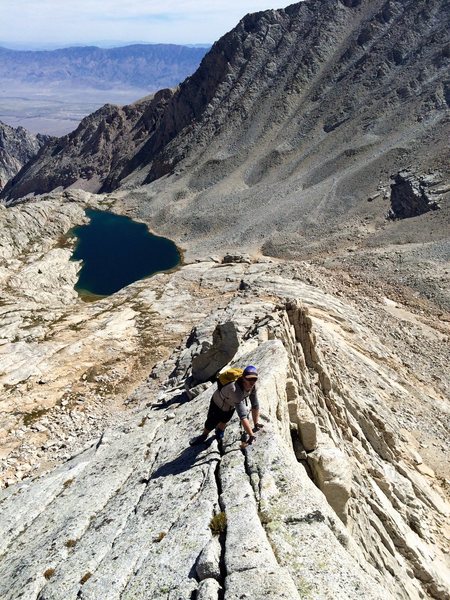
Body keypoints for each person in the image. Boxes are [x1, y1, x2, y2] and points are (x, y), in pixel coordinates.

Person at [189, 365, 263, 446]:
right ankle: (204, 435)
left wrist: (256, 423)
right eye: (249, 379)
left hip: (230, 405)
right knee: (211, 422)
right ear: (243, 378)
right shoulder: (234, 390)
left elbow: (255, 405)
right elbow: (243, 416)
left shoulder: (253, 387)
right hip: (218, 403)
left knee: (225, 419)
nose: (252, 382)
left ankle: (219, 432)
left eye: (254, 379)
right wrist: (251, 435)